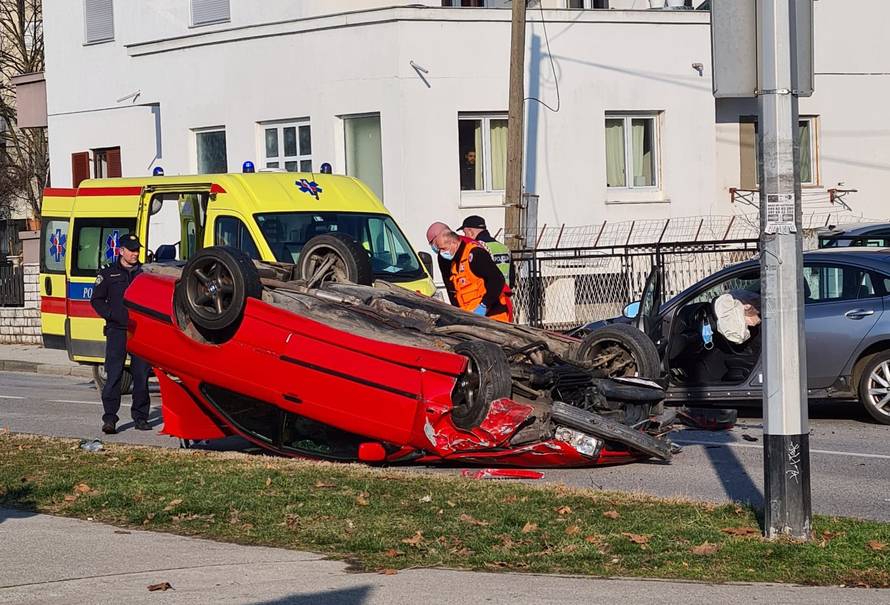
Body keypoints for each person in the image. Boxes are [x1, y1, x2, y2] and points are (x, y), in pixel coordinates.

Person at [90, 233, 152, 434]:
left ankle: (141, 417)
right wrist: (111, 315)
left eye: (137, 250)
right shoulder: (109, 273)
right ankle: (110, 419)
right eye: (131, 250)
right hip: (117, 331)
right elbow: (97, 300)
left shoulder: (145, 273)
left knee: (141, 376)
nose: (135, 254)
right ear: (121, 251)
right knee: (114, 375)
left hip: (140, 332)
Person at [426, 222, 512, 323]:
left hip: (494, 312)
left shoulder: (474, 253)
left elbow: (496, 279)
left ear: (453, 242)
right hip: (471, 315)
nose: (441, 252)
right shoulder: (448, 258)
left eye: (441, 248)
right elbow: (451, 288)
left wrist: (483, 306)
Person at [457, 215, 512, 287]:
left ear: (470, 231)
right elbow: (512, 277)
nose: (465, 236)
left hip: (487, 294)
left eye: (465, 233)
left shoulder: (477, 248)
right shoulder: (504, 248)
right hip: (504, 294)